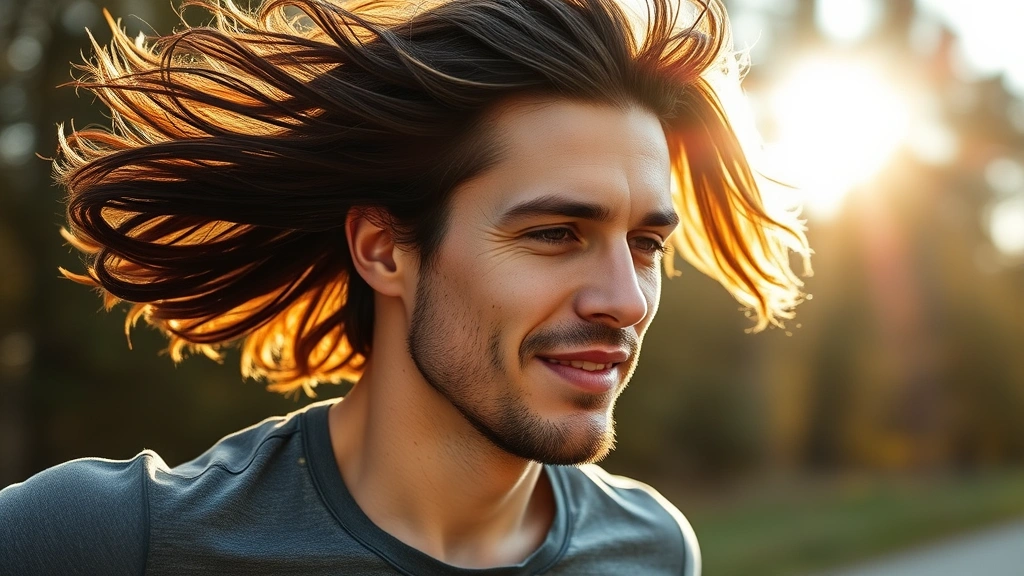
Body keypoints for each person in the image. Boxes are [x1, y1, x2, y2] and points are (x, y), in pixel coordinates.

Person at [0, 0, 809, 573]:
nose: (624, 300)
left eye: (643, 244)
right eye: (553, 234)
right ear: (385, 249)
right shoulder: (109, 541)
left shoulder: (653, 551)